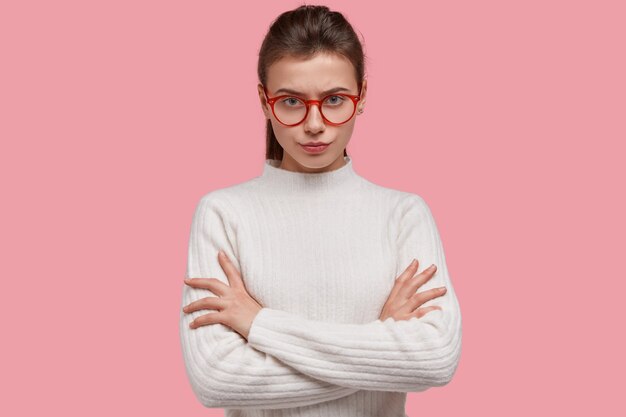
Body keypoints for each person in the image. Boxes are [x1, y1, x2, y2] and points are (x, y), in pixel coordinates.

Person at [179, 5, 462, 417]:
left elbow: (435, 358)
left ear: (361, 97)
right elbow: (217, 379)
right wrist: (380, 345)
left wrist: (259, 325)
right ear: (264, 100)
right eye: (292, 101)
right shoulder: (224, 214)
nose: (314, 124)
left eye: (334, 99)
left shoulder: (403, 215)